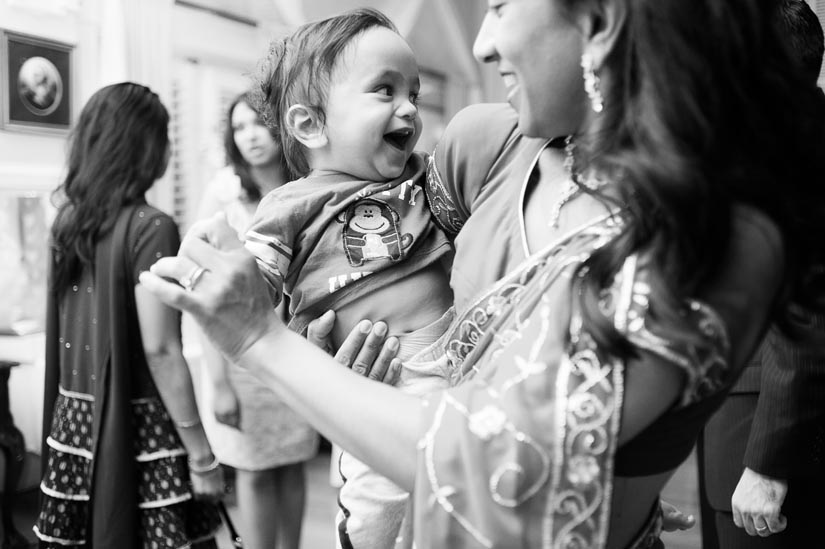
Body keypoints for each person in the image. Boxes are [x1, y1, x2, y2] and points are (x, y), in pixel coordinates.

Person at [141, 0, 825, 547]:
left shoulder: (718, 231)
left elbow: (497, 457)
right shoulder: (488, 141)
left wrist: (261, 341)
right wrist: (327, 350)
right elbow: (374, 262)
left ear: (601, 20)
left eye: (499, 7)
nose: (480, 43)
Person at [243, 9, 453, 548]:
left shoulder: (426, 177)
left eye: (413, 92)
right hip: (382, 382)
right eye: (384, 90)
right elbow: (250, 294)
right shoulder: (290, 205)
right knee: (377, 512)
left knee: (469, 504)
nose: (408, 107)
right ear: (311, 124)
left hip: (461, 357)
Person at [35, 82, 223, 548]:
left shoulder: (68, 221)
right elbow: (160, 349)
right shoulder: (151, 226)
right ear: (143, 145)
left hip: (72, 422)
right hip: (140, 431)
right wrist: (202, 455)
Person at [698, 1, 825, 545]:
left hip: (767, 445)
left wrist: (769, 464)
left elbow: (810, 308)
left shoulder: (795, 149)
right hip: (740, 429)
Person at [195, 91, 319, 549]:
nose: (249, 136)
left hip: (301, 350)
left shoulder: (307, 186)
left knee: (292, 463)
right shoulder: (223, 194)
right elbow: (201, 288)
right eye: (239, 127)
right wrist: (218, 381)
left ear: (282, 128)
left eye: (258, 124)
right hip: (241, 356)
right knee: (255, 468)